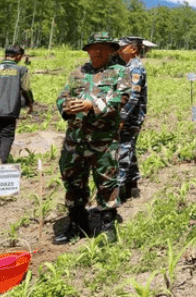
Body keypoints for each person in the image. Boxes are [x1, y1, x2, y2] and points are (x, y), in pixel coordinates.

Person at [54, 32, 131, 244]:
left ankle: (108, 226)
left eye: (103, 48)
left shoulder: (119, 72)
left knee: (106, 182)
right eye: (93, 48)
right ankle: (77, 223)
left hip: (103, 141)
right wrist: (66, 107)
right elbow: (62, 96)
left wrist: (92, 105)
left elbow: (121, 98)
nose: (97, 51)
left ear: (111, 51)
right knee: (73, 182)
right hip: (75, 140)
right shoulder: (78, 73)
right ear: (87, 50)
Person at [0, 45, 33, 164]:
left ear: (6, 55)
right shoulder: (21, 70)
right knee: (7, 135)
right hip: (9, 109)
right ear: (18, 56)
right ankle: (1, 159)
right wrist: (30, 103)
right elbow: (26, 89)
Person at [116, 36, 149, 201]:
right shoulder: (129, 66)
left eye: (123, 47)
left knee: (123, 150)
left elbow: (134, 97)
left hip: (131, 117)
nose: (120, 50)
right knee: (129, 148)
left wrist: (121, 118)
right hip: (131, 116)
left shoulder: (135, 68)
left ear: (134, 49)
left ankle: (119, 192)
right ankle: (133, 185)